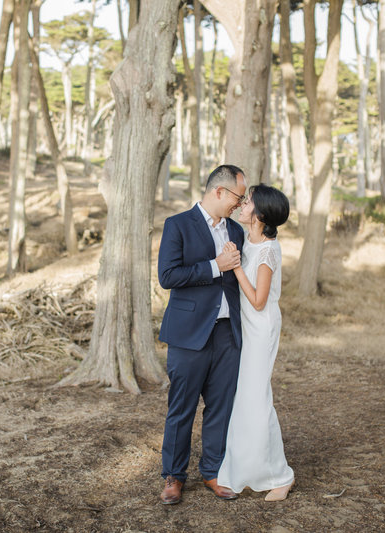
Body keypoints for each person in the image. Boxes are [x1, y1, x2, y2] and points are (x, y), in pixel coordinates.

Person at [157, 164, 247, 505]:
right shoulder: (177, 225)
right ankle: (174, 476)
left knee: (221, 407)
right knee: (181, 408)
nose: (239, 204)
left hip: (227, 334)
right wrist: (215, 266)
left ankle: (213, 471)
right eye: (238, 197)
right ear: (219, 191)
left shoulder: (235, 231)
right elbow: (168, 275)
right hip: (189, 334)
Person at [216, 184, 295, 501]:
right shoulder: (248, 239)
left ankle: (280, 475)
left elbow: (259, 300)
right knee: (244, 399)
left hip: (260, 327)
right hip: (245, 326)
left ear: (260, 214)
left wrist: (234, 268)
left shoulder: (268, 250)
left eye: (248, 201)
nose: (243, 203)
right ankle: (243, 469)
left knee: (256, 397)